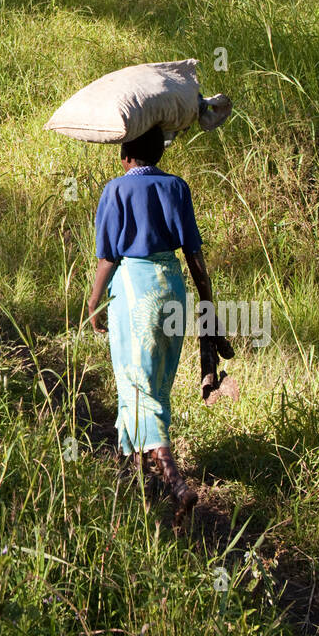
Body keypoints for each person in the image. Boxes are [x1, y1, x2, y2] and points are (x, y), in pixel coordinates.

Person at [87, 124, 214, 524]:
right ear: (159, 153)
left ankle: (176, 482)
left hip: (135, 292)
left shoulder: (116, 191)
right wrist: (207, 303)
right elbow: (194, 253)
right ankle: (135, 472)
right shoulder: (177, 187)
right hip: (173, 290)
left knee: (137, 385)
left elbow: (108, 256)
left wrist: (92, 302)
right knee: (155, 383)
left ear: (126, 157)